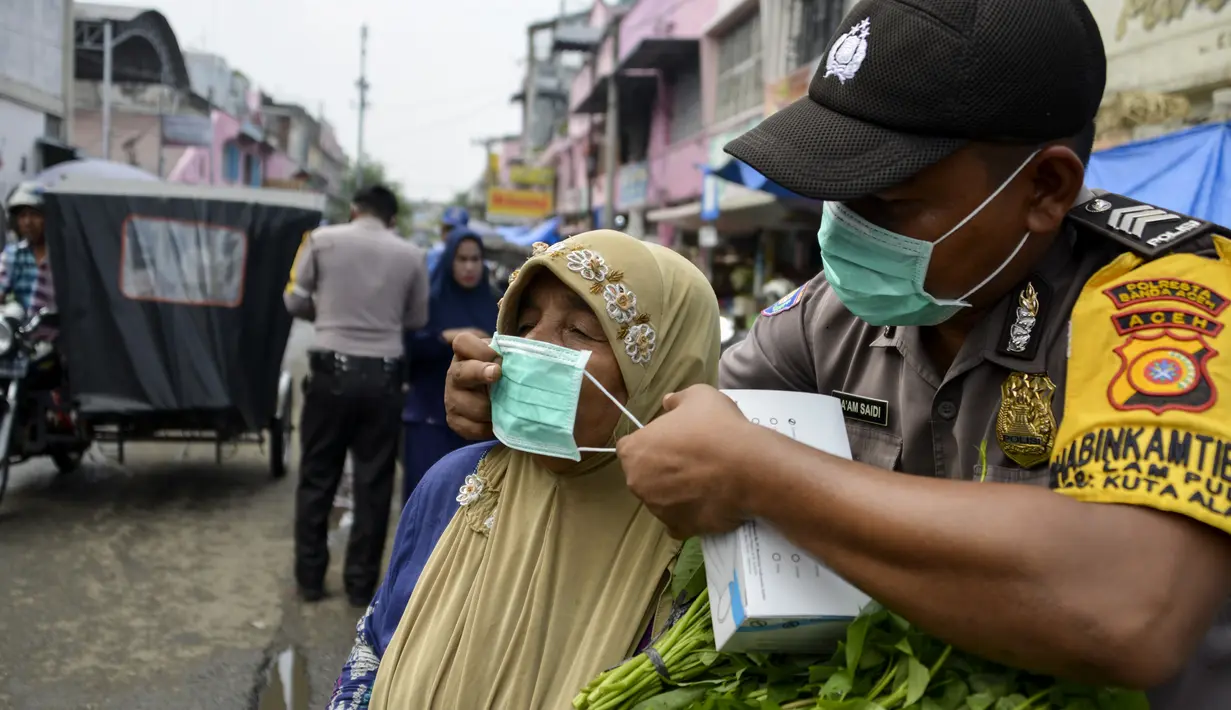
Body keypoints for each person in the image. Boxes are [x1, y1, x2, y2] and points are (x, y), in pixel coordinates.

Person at [440, 1, 1231, 708]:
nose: (844, 231)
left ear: (1045, 190)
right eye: (833, 193)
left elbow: (1135, 606)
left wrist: (763, 473)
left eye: (887, 201)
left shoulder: (1168, 305)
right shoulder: (832, 315)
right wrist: (539, 396)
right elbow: (676, 436)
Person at [327, 231, 720, 710]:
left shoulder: (700, 552)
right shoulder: (455, 482)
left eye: (578, 330)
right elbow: (371, 649)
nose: (532, 345)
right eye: (525, 322)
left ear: (663, 373)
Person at [285, 184, 429, 608]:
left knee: (317, 478)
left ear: (353, 211)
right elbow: (417, 317)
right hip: (383, 381)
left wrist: (326, 311)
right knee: (373, 485)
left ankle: (310, 579)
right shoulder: (411, 255)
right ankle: (360, 585)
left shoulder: (320, 240)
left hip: (330, 377)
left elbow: (294, 301)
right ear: (391, 219)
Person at [400, 226, 497, 503]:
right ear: (449, 261)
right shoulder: (429, 302)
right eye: (461, 259)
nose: (469, 266)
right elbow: (407, 347)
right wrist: (445, 338)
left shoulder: (495, 303)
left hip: (478, 425)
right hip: (429, 420)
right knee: (428, 500)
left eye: (475, 259)